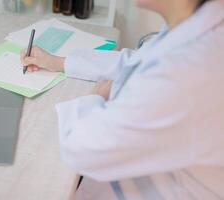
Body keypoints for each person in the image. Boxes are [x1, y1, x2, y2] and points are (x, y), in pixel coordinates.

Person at [21, 0, 224, 199]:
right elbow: (136, 60)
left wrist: (94, 98)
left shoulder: (187, 70)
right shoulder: (199, 27)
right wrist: (58, 62)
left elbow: (81, 150)